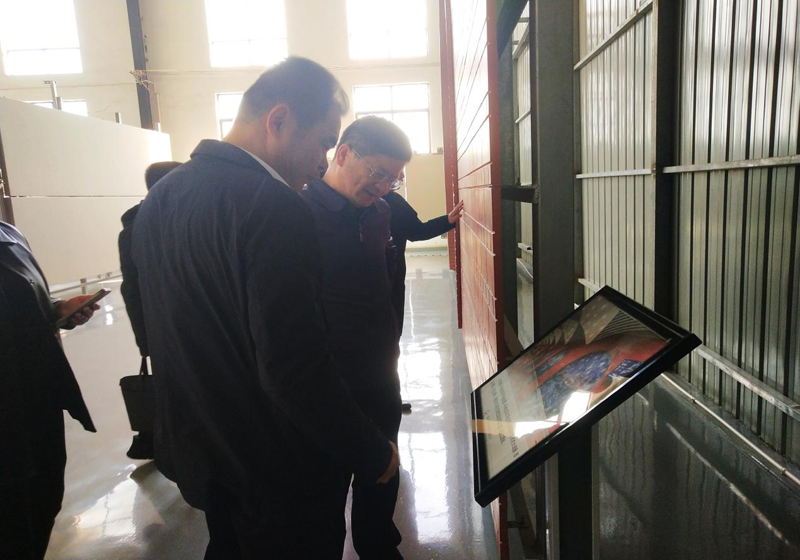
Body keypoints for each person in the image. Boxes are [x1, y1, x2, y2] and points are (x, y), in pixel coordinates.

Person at [131, 57, 398, 560]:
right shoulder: (274, 206)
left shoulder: (162, 197)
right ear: (279, 120)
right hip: (276, 471)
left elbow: (158, 330)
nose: (321, 162)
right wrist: (369, 450)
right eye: (322, 143)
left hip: (204, 452)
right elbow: (293, 368)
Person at [301, 116, 412, 560]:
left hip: (381, 377)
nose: (383, 187)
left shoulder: (381, 213)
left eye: (393, 179)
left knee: (383, 476)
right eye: (379, 173)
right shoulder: (298, 216)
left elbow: (385, 288)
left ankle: (379, 547)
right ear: (344, 153)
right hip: (328, 383)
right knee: (322, 493)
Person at [0, 221, 99, 560]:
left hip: (36, 402)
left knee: (43, 499)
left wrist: (59, 308)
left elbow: (24, 302)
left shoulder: (10, 235)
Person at [118, 160, 181, 460]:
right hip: (164, 332)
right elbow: (133, 290)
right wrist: (146, 342)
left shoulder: (178, 217)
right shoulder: (137, 228)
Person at [384, 189, 463, 336]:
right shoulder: (352, 202)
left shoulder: (395, 201)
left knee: (392, 330)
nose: (389, 185)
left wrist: (447, 220)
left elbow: (416, 231)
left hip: (393, 277)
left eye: (393, 181)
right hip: (361, 284)